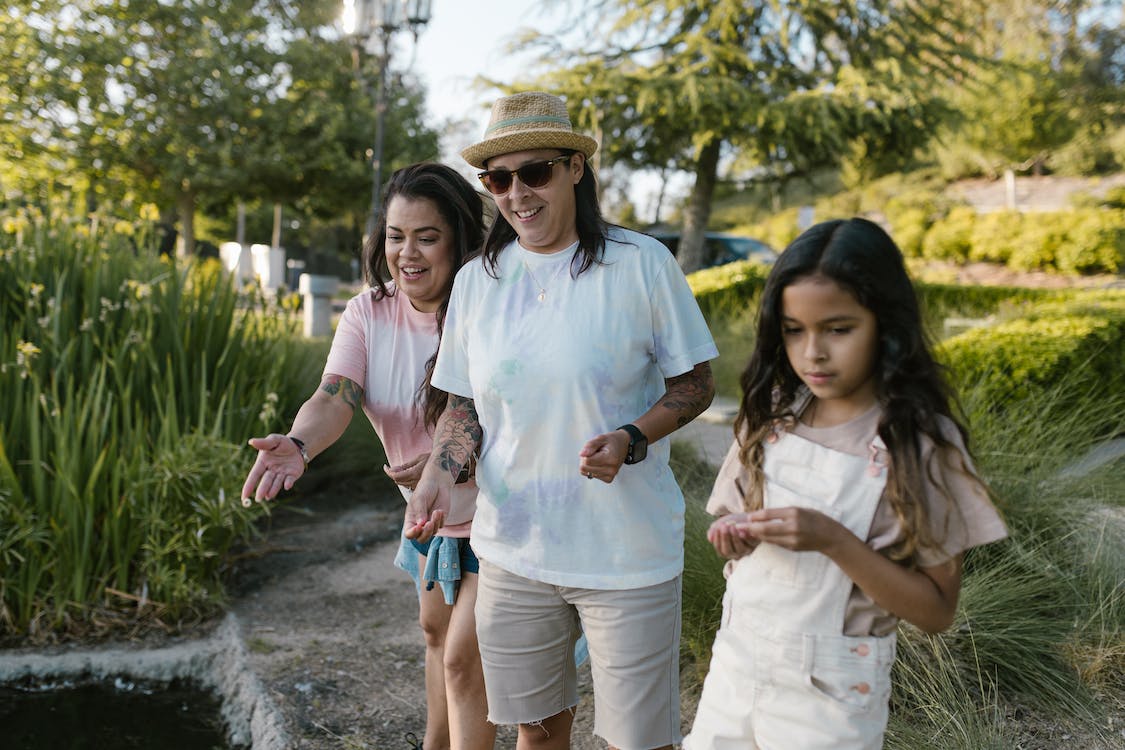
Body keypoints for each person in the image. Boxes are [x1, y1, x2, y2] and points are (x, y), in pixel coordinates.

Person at [405, 91, 719, 750]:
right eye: (499, 178)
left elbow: (694, 382)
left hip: (625, 553)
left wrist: (632, 436)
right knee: (538, 732)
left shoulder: (641, 266)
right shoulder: (476, 282)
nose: (517, 192)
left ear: (575, 167)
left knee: (640, 741)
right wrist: (438, 476)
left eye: (536, 172)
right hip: (514, 552)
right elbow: (463, 405)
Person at [682, 218, 1009, 750]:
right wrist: (734, 534)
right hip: (738, 664)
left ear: (884, 322)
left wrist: (833, 541)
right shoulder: (770, 418)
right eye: (794, 329)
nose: (813, 352)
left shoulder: (920, 446)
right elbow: (730, 521)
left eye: (837, 329)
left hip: (830, 696)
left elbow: (936, 611)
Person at [239, 162, 494, 750]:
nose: (408, 252)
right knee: (434, 634)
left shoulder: (485, 308)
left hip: (502, 515)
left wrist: (446, 463)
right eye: (396, 235)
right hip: (429, 515)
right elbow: (335, 396)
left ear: (458, 239)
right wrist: (300, 445)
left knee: (462, 660)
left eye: (427, 237)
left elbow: (512, 416)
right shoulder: (368, 312)